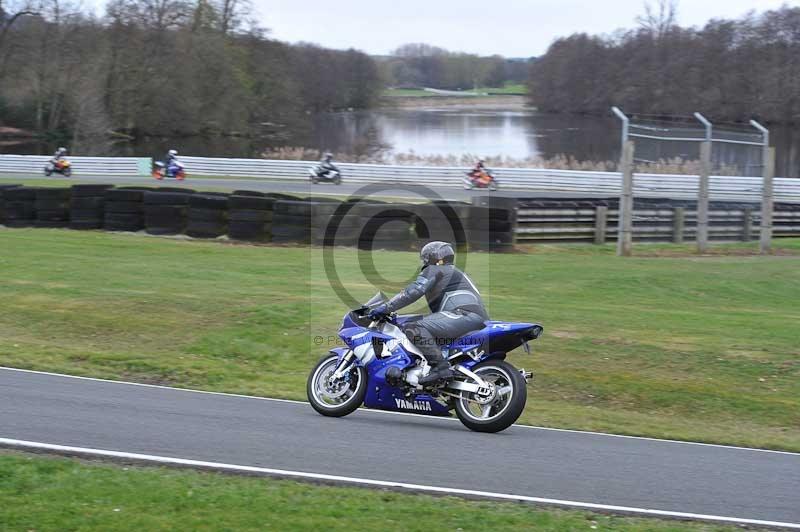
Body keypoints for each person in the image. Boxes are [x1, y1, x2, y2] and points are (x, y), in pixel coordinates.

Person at [369, 241, 488, 385]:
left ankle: (440, 368)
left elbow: (412, 292)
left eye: (425, 258)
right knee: (422, 324)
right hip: (472, 319)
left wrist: (386, 308)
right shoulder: (455, 272)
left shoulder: (435, 270)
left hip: (462, 315)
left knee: (413, 327)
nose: (424, 262)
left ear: (431, 258)